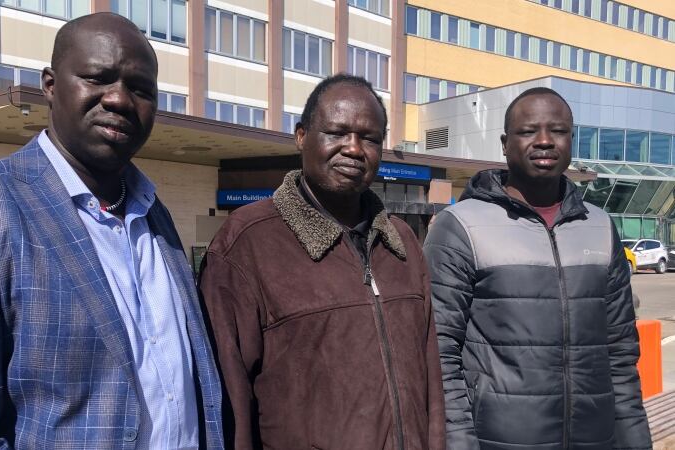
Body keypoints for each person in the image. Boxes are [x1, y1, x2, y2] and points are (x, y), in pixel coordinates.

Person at [0, 13, 223, 449]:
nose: (121, 100)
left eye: (141, 89)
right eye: (97, 78)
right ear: (50, 85)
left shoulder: (153, 214)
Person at [199, 74, 446, 450]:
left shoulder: (403, 242)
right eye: (337, 133)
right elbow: (229, 401)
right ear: (301, 136)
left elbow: (431, 383)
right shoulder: (247, 243)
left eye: (370, 138)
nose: (354, 148)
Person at [424, 87, 652, 450]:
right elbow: (439, 353)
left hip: (595, 439)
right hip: (497, 440)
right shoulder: (460, 226)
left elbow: (621, 351)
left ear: (571, 140)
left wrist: (636, 439)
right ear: (504, 143)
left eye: (558, 131)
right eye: (528, 131)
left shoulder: (600, 226)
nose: (544, 141)